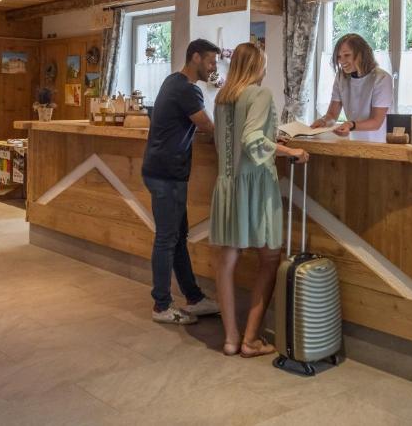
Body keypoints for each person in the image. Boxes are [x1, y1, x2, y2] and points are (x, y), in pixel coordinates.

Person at [210, 42, 308, 357]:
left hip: (227, 184)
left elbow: (238, 137)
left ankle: (230, 339)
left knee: (226, 261)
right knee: (269, 258)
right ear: (257, 66)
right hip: (255, 186)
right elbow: (252, 140)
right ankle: (251, 339)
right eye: (264, 63)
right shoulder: (259, 94)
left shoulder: (222, 98)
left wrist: (269, 136)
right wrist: (290, 150)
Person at [142, 38, 222, 324]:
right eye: (211, 61)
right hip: (166, 173)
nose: (214, 68)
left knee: (175, 238)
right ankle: (161, 306)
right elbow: (208, 127)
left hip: (162, 170)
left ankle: (194, 297)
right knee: (167, 239)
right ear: (196, 57)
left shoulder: (172, 81)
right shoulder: (188, 90)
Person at [311, 33, 394, 142]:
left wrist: (350, 125)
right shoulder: (341, 77)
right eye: (339, 57)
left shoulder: (382, 78)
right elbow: (332, 115)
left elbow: (376, 122)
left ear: (361, 54)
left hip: (379, 143)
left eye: (346, 55)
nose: (341, 61)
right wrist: (323, 122)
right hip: (355, 142)